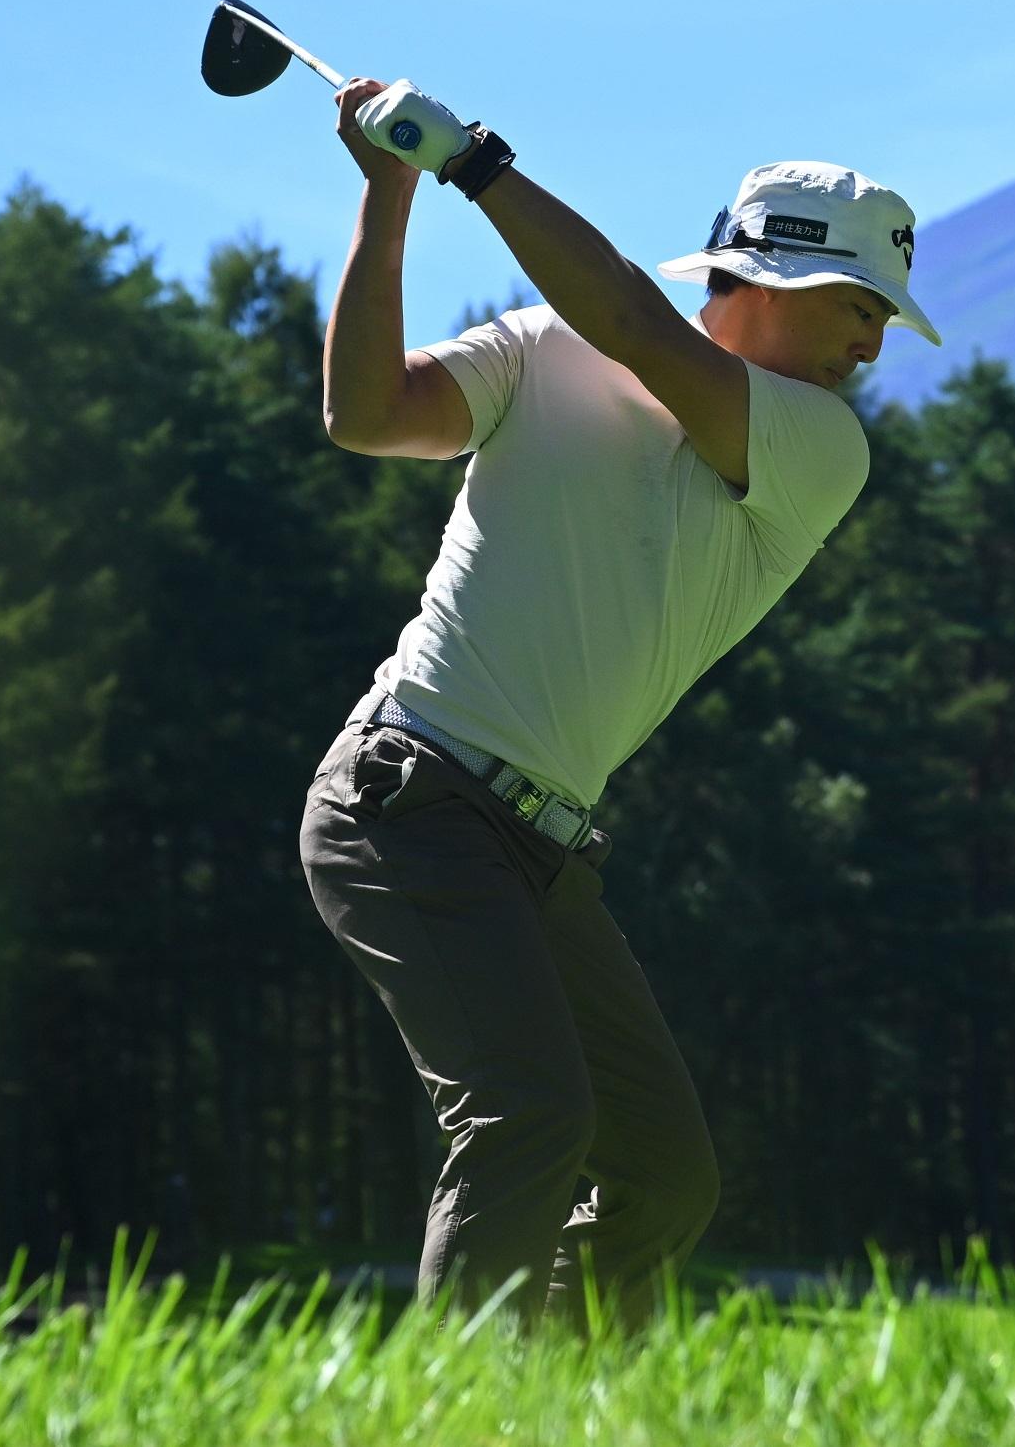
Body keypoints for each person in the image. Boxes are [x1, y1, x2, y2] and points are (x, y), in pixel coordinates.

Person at [295, 71, 933, 1330]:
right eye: (862, 308)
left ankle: (570, 1407)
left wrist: (472, 165)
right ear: (766, 283)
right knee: (529, 1116)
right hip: (404, 796)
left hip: (539, 846)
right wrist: (390, 204)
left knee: (661, 1177)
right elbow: (365, 415)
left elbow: (644, 331)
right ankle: (447, 1424)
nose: (873, 345)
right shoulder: (540, 344)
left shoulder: (821, 446)